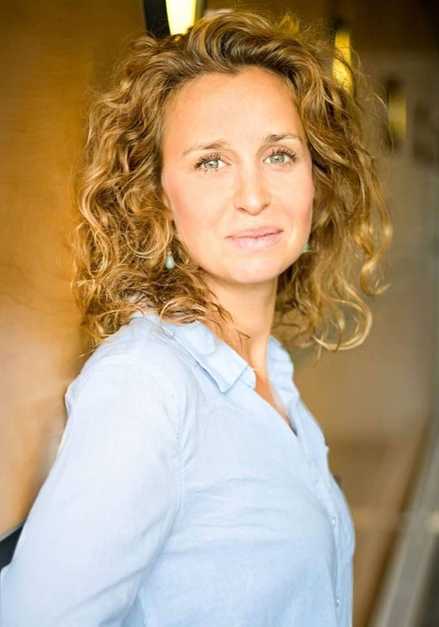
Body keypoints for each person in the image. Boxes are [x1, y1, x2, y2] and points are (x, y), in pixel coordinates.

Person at [0, 8, 392, 626]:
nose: (254, 195)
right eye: (211, 161)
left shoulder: (272, 375)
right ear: (157, 198)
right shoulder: (147, 385)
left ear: (316, 180)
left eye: (280, 155)